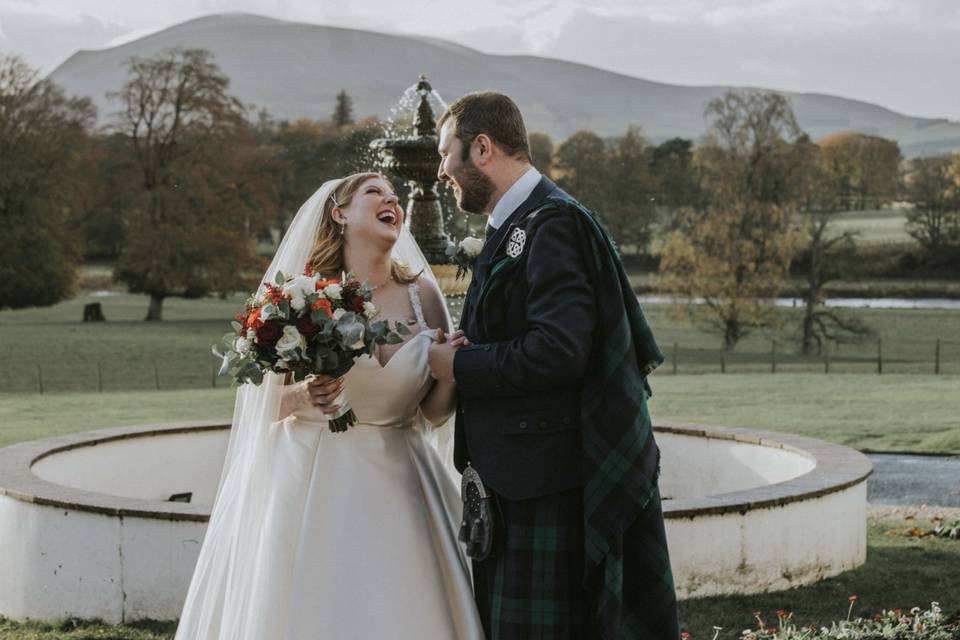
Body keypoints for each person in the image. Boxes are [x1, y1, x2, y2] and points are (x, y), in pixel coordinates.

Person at [174, 172, 485, 639]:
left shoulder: (424, 295)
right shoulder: (298, 295)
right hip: (312, 475)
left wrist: (450, 370)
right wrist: (302, 394)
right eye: (374, 193)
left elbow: (433, 414)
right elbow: (262, 402)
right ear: (340, 214)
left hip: (402, 476)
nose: (392, 201)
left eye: (394, 197)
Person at [427, 92, 681, 639]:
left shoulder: (553, 222)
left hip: (545, 483)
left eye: (447, 154)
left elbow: (559, 351)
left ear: (483, 147)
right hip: (520, 479)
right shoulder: (519, 222)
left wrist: (459, 366)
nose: (441, 170)